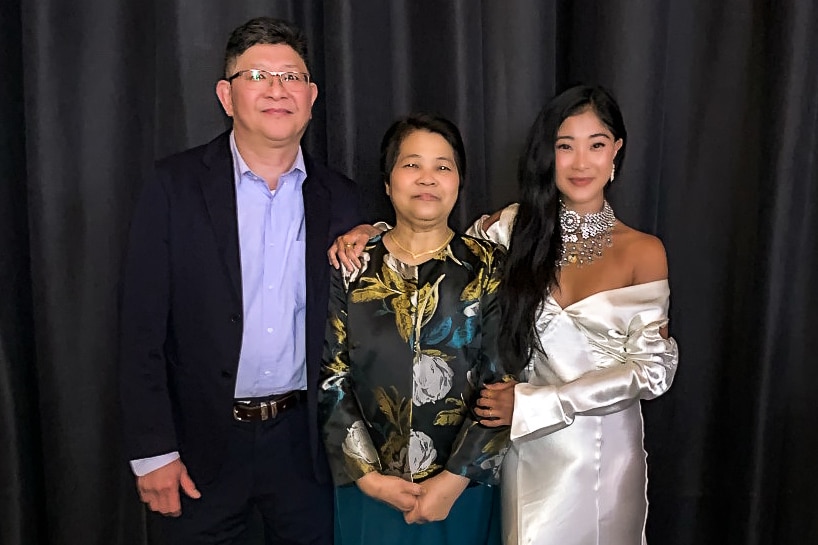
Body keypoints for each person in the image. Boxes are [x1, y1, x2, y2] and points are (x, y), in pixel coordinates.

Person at [327, 85, 679, 545]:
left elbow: (654, 369)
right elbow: (431, 243)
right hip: (520, 452)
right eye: (564, 146)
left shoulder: (644, 251)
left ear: (616, 151)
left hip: (602, 452)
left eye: (596, 145)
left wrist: (538, 403)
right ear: (546, 154)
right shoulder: (513, 229)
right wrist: (369, 234)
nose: (580, 162)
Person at [119, 17, 362, 544]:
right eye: (258, 76)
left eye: (292, 77)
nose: (277, 90)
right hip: (199, 450)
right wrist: (153, 452)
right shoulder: (174, 186)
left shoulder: (343, 200)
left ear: (312, 95)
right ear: (227, 96)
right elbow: (140, 330)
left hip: (305, 451)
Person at [319, 113, 510, 545]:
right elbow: (332, 377)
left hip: (462, 488)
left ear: (459, 181)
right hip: (369, 488)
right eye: (411, 165)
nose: (428, 178)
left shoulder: (489, 266)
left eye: (443, 166)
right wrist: (368, 477)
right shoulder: (351, 265)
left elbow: (500, 381)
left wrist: (454, 479)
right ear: (387, 182)